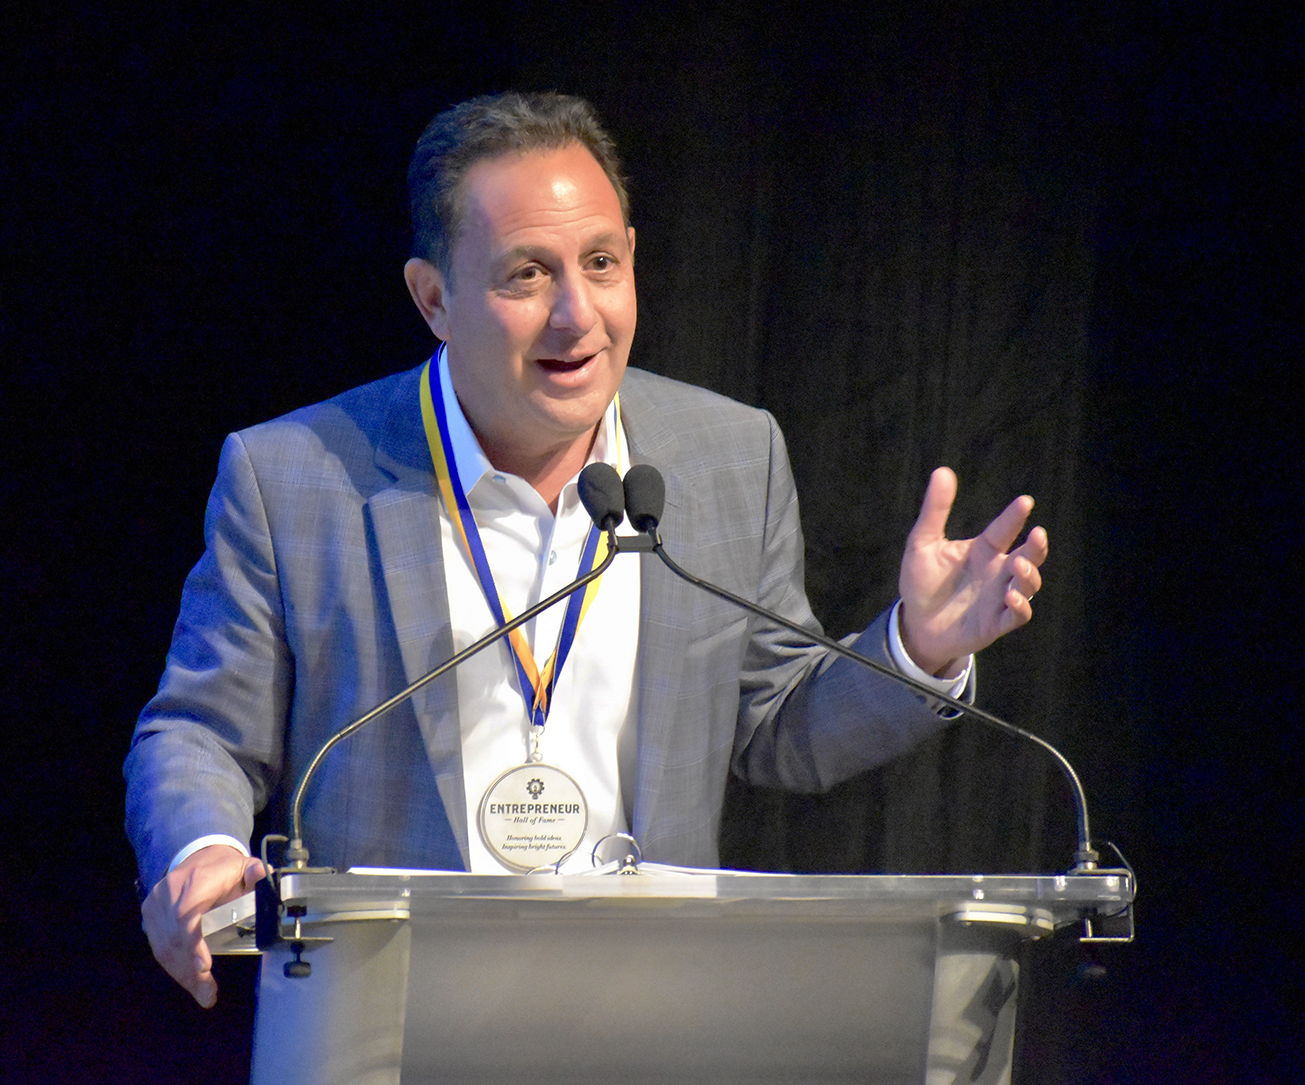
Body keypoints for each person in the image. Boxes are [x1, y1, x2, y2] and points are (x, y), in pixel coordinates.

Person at [125, 92, 1048, 1008]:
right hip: (385, 1010)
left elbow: (779, 722)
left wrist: (918, 648)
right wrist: (202, 850)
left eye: (601, 263)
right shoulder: (294, 479)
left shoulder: (729, 455)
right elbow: (201, 729)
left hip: (648, 1013)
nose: (577, 314)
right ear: (434, 298)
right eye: (527, 275)